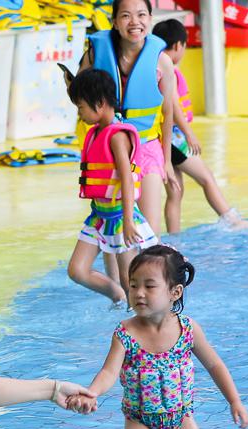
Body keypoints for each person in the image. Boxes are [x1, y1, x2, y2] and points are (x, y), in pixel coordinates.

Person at [68, 245, 248, 429]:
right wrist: (91, 393)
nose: (139, 293)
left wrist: (234, 401)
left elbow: (214, 365)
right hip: (139, 420)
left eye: (149, 286)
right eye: (133, 285)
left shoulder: (187, 329)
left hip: (180, 419)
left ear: (175, 292)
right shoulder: (125, 333)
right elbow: (109, 372)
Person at [79, 0, 179, 239]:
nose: (135, 22)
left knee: (150, 234)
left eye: (141, 15)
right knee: (111, 229)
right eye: (126, 16)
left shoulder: (162, 62)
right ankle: (116, 266)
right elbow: (79, 98)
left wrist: (167, 161)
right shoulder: (95, 55)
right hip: (108, 148)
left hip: (146, 148)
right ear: (114, 22)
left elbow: (168, 114)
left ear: (150, 19)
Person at [152, 20, 248, 234]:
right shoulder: (167, 67)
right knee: (206, 177)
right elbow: (173, 105)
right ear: (179, 45)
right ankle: (231, 220)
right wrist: (189, 133)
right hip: (173, 138)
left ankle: (174, 237)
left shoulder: (154, 65)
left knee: (175, 192)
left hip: (161, 137)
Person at [66, 68, 158, 303]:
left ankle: (139, 315)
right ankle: (117, 295)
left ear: (99, 103)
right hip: (99, 216)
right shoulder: (96, 133)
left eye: (81, 107)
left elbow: (127, 179)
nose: (80, 114)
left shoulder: (117, 137)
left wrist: (128, 221)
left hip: (119, 218)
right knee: (77, 270)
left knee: (130, 282)